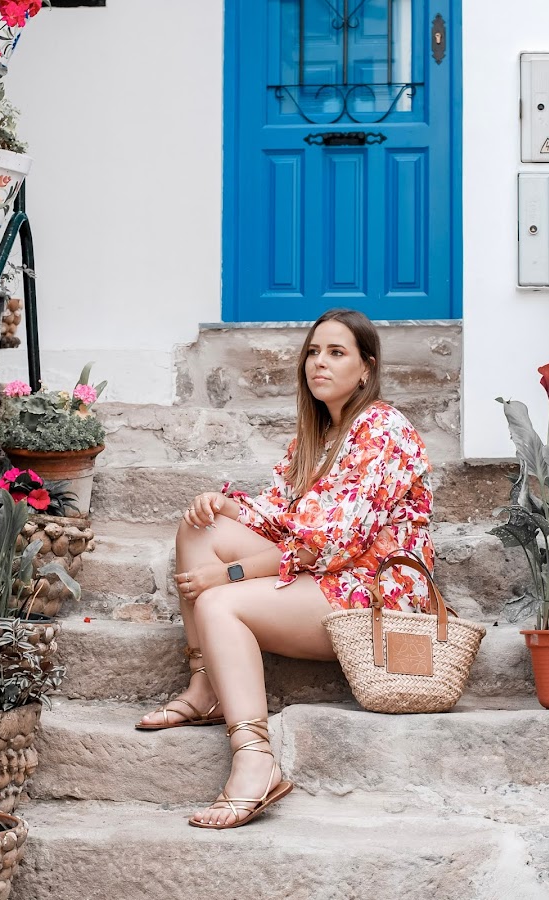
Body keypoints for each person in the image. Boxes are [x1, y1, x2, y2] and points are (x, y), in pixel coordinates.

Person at [136, 308, 434, 830]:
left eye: (336, 353)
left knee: (219, 603)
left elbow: (331, 542)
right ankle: (206, 687)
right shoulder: (317, 436)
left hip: (371, 596)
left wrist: (231, 575)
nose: (319, 363)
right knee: (198, 527)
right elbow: (280, 516)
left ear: (366, 368)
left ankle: (256, 761)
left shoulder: (383, 428)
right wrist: (225, 506)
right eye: (313, 352)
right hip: (324, 579)